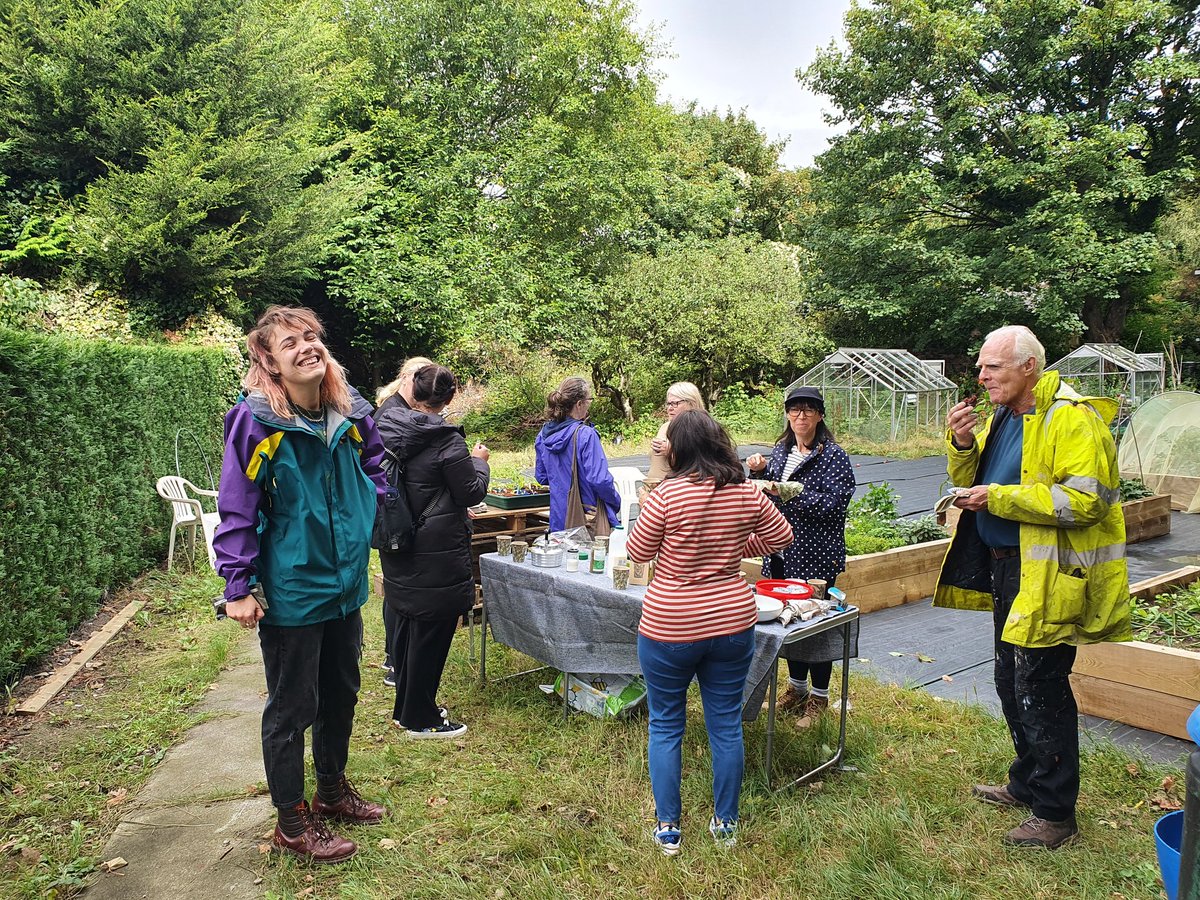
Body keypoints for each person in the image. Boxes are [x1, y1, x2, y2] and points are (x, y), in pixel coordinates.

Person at [936, 325, 1130, 850]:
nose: (980, 376)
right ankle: (1026, 782)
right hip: (1006, 568)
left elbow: (1085, 501)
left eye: (991, 367)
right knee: (1009, 680)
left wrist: (998, 498)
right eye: (980, 366)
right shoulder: (1008, 415)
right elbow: (984, 474)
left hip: (1045, 574)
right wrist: (960, 444)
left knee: (1040, 688)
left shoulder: (1070, 417)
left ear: (1028, 367)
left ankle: (1055, 811)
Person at [213, 305, 387, 864]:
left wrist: (371, 514)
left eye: (312, 337)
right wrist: (237, 584)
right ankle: (292, 822)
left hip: (345, 585)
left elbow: (377, 469)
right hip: (293, 588)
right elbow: (237, 506)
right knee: (293, 708)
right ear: (267, 359)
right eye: (291, 342)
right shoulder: (259, 421)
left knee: (342, 693)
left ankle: (332, 795)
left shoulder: (349, 412)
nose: (307, 347)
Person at [626, 410, 793, 855]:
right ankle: (725, 823)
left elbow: (638, 549)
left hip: (670, 624)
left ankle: (668, 828)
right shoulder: (744, 492)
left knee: (665, 725)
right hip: (732, 621)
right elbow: (782, 535)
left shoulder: (664, 496)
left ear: (677, 451)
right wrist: (736, 546)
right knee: (725, 725)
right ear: (720, 443)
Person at [375, 364, 490, 739]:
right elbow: (471, 492)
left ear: (411, 388)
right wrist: (479, 463)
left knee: (410, 628)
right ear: (449, 398)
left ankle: (406, 708)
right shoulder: (446, 440)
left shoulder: (385, 427)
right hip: (436, 550)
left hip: (398, 541)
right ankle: (420, 719)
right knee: (432, 635)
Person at [745, 386, 858, 722]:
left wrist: (791, 493)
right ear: (788, 415)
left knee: (816, 623)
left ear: (820, 416)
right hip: (780, 551)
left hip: (816, 555)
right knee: (786, 622)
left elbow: (835, 504)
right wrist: (759, 472)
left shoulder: (833, 456)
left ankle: (820, 698)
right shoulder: (779, 452)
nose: (801, 416)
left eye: (808, 410)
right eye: (795, 410)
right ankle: (796, 690)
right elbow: (767, 494)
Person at [374, 356, 434, 687]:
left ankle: (392, 659)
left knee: (397, 586)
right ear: (406, 378)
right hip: (393, 514)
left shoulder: (398, 410)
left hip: (394, 511)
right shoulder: (394, 414)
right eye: (419, 377)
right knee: (398, 590)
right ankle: (396, 664)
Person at [534, 376, 621, 533]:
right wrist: (615, 501)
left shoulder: (543, 435)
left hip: (559, 517)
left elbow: (542, 477)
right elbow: (599, 479)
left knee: (562, 556)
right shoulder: (585, 435)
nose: (589, 405)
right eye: (589, 400)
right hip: (586, 517)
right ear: (579, 404)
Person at [641, 381, 705, 498]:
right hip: (653, 490)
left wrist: (670, 451)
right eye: (668, 404)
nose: (669, 408)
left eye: (675, 403)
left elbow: (700, 462)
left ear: (691, 403)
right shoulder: (665, 426)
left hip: (675, 495)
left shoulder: (699, 427)